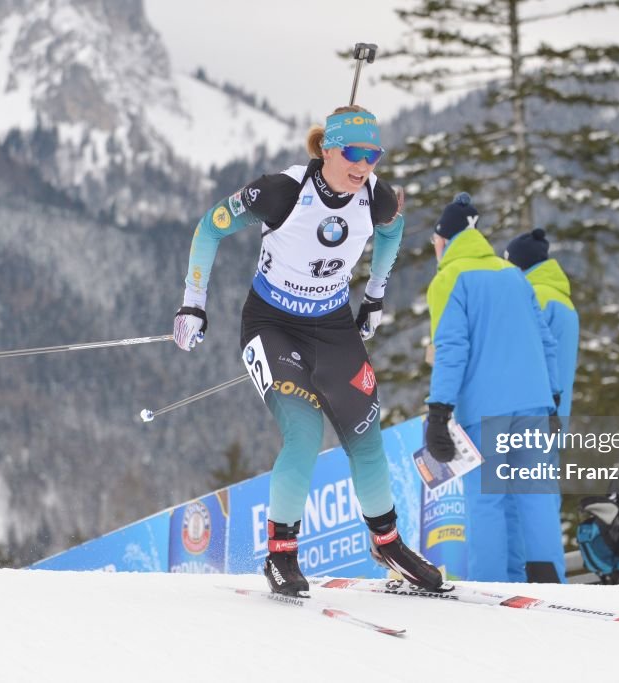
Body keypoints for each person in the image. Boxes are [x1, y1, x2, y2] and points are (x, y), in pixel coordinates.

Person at [173, 105, 443, 596]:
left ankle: (387, 542)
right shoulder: (281, 191)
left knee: (365, 435)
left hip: (333, 326)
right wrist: (193, 304)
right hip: (271, 324)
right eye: (355, 154)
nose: (365, 166)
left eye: (374, 155)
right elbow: (209, 227)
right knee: (304, 433)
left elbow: (393, 231)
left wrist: (375, 295)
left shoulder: (376, 197)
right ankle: (281, 555)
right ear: (328, 150)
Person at [424, 192, 564, 583]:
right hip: (535, 405)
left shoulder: (449, 278)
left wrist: (439, 409)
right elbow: (545, 342)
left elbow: (451, 349)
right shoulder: (514, 276)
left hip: (486, 410)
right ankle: (551, 583)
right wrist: (553, 400)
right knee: (535, 499)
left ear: (445, 240)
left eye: (435, 241)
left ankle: (491, 589)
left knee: (486, 503)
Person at [503, 228, 579, 583]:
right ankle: (549, 571)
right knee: (542, 495)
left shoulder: (533, 295)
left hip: (530, 410)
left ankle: (527, 576)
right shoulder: (561, 299)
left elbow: (521, 354)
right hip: (555, 415)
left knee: (521, 501)